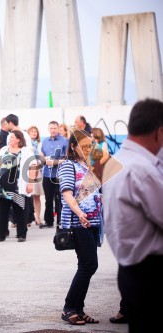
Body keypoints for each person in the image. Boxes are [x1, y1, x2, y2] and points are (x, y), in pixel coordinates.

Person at [103, 98, 163, 332]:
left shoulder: (117, 162)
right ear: (159, 133)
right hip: (151, 273)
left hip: (131, 270)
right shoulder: (142, 169)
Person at [58, 129, 102, 325]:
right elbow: (67, 193)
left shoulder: (92, 165)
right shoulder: (68, 165)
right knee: (89, 264)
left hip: (94, 221)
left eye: (90, 145)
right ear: (73, 146)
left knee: (86, 264)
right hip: (79, 221)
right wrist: (79, 213)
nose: (87, 149)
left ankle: (78, 308)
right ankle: (69, 308)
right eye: (83, 145)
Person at [0, 130, 35, 242]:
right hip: (2, 185)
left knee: (19, 209)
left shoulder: (26, 152)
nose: (9, 139)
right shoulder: (4, 149)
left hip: (17, 185)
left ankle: (21, 234)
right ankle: (1, 234)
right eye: (9, 137)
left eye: (12, 137)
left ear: (18, 139)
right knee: (2, 211)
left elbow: (32, 167)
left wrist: (30, 183)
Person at [40, 121, 68, 229]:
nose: (53, 130)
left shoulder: (64, 141)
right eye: (51, 128)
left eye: (55, 128)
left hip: (59, 174)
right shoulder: (45, 141)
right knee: (48, 198)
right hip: (47, 173)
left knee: (60, 198)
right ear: (48, 129)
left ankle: (60, 221)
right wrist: (43, 160)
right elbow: (41, 155)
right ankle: (49, 221)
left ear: (58, 129)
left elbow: (67, 157)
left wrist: (55, 162)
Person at [27, 125, 44, 226]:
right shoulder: (26, 144)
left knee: (37, 196)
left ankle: (38, 218)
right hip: (28, 170)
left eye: (35, 131)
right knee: (27, 196)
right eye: (32, 131)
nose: (34, 133)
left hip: (37, 169)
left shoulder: (39, 144)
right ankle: (28, 218)